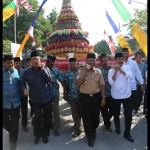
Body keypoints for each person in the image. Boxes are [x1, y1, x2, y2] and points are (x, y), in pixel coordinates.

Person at [21, 50, 53, 144]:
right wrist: (24, 89)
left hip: (47, 97)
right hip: (35, 99)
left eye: (37, 59)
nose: (35, 61)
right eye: (33, 59)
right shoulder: (27, 72)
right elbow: (22, 83)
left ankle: (45, 134)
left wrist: (43, 70)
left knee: (47, 118)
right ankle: (37, 134)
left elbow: (50, 79)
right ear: (30, 61)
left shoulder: (45, 68)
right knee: (37, 118)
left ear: (40, 60)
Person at [76, 53, 105, 147]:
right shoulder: (81, 70)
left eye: (93, 60)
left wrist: (103, 97)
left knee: (96, 117)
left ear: (95, 61)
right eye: (90, 60)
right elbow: (78, 83)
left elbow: (102, 85)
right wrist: (84, 71)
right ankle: (90, 136)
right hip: (84, 97)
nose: (92, 62)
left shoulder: (98, 72)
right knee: (87, 117)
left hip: (96, 97)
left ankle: (93, 129)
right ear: (86, 61)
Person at [108, 52, 134, 142]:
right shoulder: (110, 71)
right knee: (116, 114)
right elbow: (111, 82)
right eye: (118, 59)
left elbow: (130, 76)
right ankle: (117, 127)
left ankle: (127, 133)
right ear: (115, 60)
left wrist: (121, 71)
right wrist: (116, 71)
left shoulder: (127, 67)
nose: (120, 61)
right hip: (116, 96)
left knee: (128, 115)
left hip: (127, 95)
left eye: (121, 59)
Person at [3, 54, 21, 150]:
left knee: (15, 123)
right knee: (5, 122)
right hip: (4, 103)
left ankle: (13, 143)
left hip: (15, 102)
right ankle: (13, 131)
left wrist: (24, 88)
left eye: (12, 62)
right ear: (3, 62)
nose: (10, 64)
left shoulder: (15, 71)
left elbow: (19, 82)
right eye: (8, 62)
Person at [46, 54, 67, 136]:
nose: (52, 65)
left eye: (53, 63)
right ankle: (49, 123)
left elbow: (61, 80)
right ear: (47, 62)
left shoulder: (56, 70)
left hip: (55, 93)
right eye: (51, 63)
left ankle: (56, 127)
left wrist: (65, 90)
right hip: (46, 94)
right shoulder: (43, 69)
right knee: (47, 110)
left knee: (55, 110)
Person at [122, 48, 144, 113]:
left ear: (128, 54)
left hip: (132, 86)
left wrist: (142, 83)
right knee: (126, 102)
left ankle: (130, 111)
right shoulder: (120, 63)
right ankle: (127, 112)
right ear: (122, 54)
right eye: (123, 54)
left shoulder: (133, 63)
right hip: (124, 87)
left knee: (133, 100)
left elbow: (138, 73)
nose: (125, 55)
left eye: (126, 54)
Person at [64, 58, 81, 137]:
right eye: (71, 64)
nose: (73, 66)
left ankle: (78, 124)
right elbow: (66, 84)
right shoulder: (67, 73)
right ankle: (77, 130)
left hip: (81, 96)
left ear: (77, 63)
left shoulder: (81, 72)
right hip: (72, 96)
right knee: (74, 112)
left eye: (74, 64)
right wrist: (66, 93)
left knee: (80, 112)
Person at [97, 53, 113, 132]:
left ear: (108, 60)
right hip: (100, 95)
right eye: (103, 61)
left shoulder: (112, 69)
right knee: (104, 111)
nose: (104, 62)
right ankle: (107, 125)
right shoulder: (98, 70)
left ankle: (106, 120)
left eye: (106, 60)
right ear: (100, 61)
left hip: (111, 94)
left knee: (113, 109)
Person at [13, 57, 29, 132]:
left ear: (21, 63)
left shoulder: (24, 71)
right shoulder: (11, 72)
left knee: (24, 110)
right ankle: (15, 126)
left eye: (19, 63)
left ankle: (24, 125)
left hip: (23, 95)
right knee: (15, 111)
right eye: (16, 63)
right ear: (14, 64)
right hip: (14, 95)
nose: (18, 64)